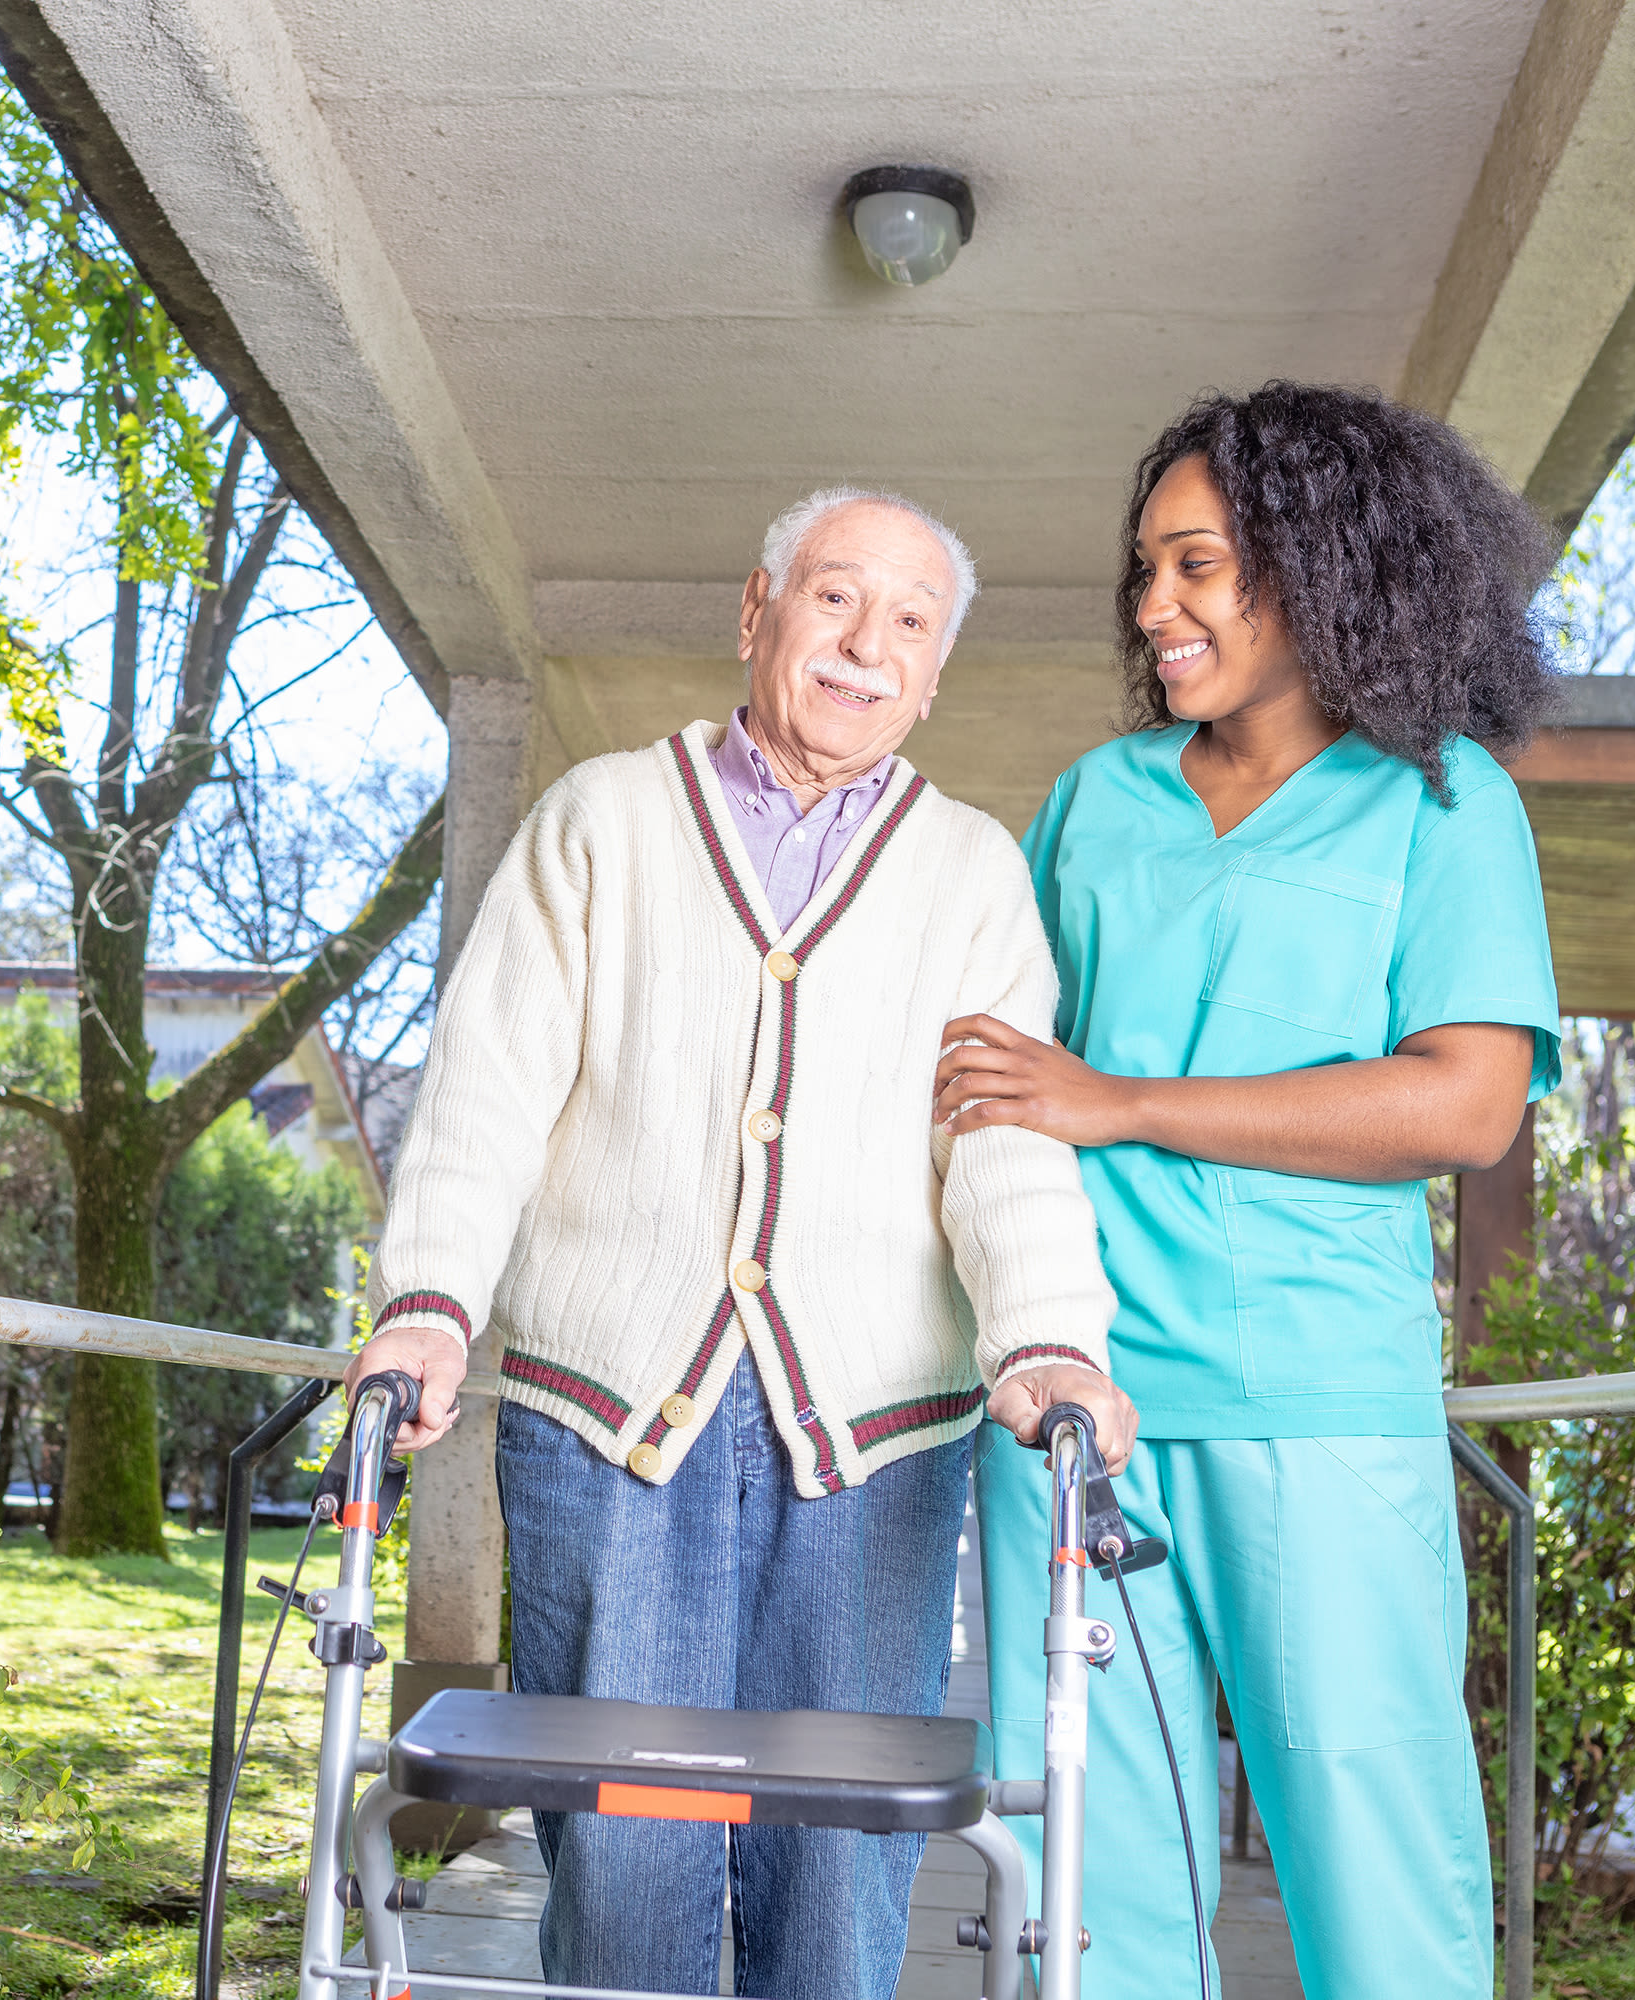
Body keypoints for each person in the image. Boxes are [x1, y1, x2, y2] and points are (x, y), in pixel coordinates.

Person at [344, 488, 1135, 2000]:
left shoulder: (970, 874)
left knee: (840, 1881)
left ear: (935, 673)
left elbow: (1005, 1144)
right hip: (606, 1420)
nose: (867, 645)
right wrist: (430, 1303)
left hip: (876, 1444)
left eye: (911, 624)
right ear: (756, 610)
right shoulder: (603, 821)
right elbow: (488, 1092)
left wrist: (1049, 1342)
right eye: (837, 600)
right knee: (622, 1862)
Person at [938, 381, 1561, 1996]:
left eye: (1198, 565)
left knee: (1377, 1866)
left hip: (1317, 1404)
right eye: (1146, 569)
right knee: (1093, 1878)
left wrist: (1120, 1099)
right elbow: (1003, 1088)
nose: (1155, 608)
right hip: (1078, 1411)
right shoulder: (1095, 803)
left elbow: (1467, 1100)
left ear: (1322, 567)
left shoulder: (1441, 801)